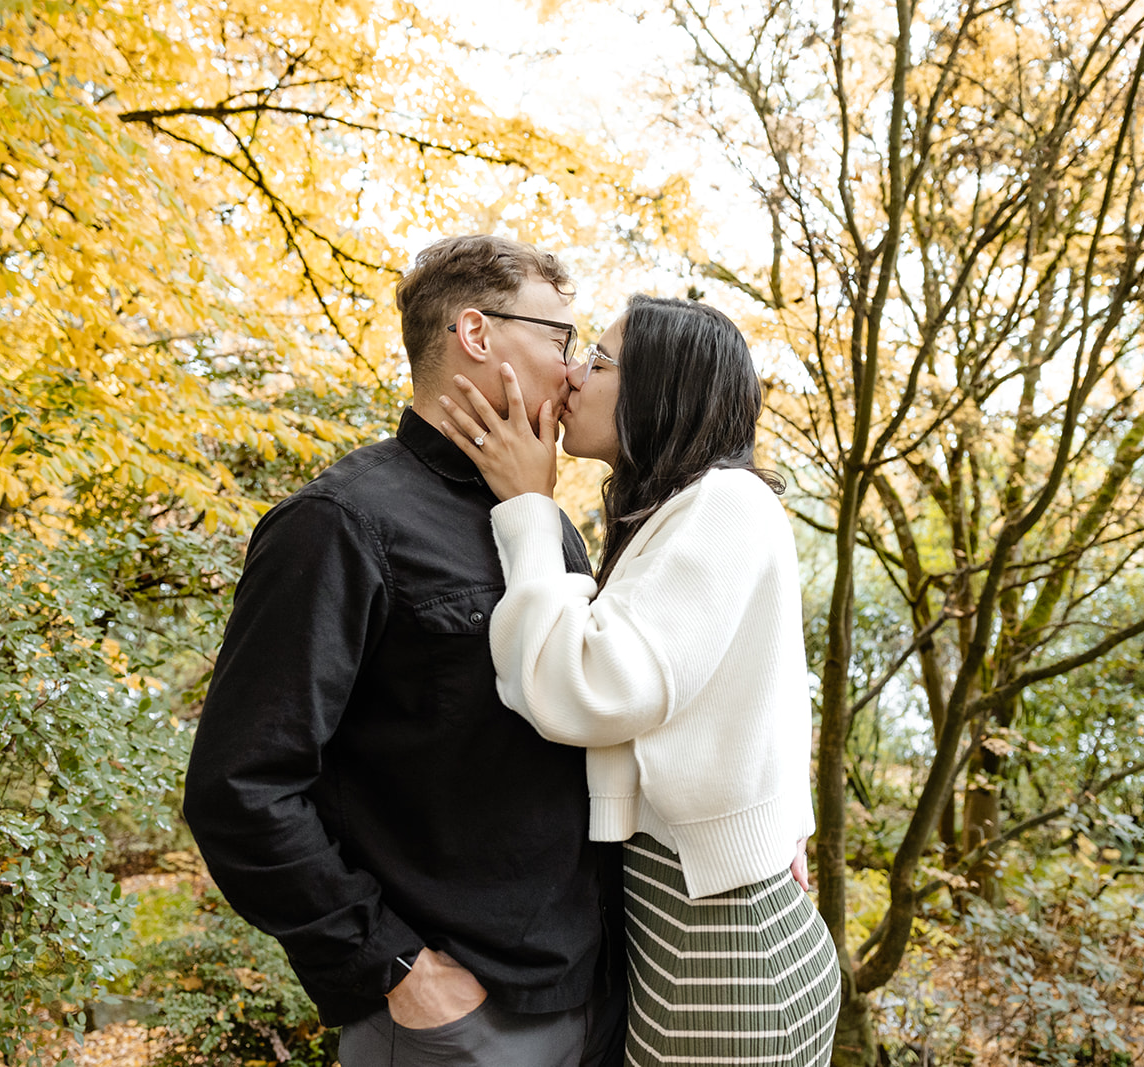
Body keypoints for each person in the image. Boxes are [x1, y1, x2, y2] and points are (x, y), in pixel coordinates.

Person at [182, 234, 625, 1067]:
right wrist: (392, 965)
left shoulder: (549, 528)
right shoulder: (338, 524)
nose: (572, 369)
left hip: (592, 998)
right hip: (458, 1021)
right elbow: (239, 788)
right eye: (560, 336)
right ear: (477, 333)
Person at [434, 294, 841, 1066]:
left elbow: (587, 689)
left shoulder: (727, 503)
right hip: (693, 935)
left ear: (664, 387)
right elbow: (760, 687)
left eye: (599, 358)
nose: (575, 374)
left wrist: (526, 508)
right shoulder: (686, 510)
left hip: (728, 953)